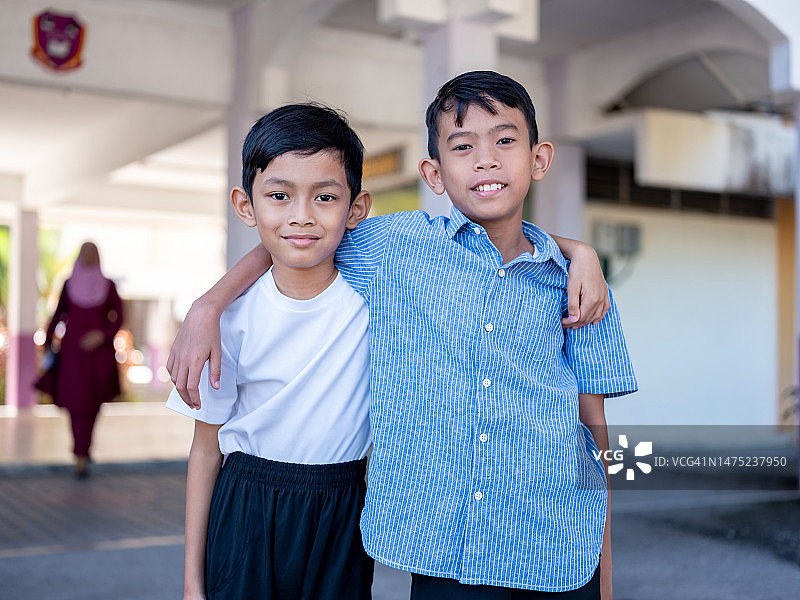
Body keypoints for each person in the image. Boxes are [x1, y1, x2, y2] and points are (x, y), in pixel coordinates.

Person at [169, 71, 636, 599]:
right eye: (463, 146)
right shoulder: (398, 249)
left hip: (560, 550)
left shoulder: (578, 286)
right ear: (433, 174)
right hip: (447, 554)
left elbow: (594, 432)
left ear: (539, 158)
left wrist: (606, 568)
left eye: (505, 140)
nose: (486, 160)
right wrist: (209, 304)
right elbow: (299, 230)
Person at [166, 104, 375, 600]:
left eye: (325, 197)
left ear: (356, 208)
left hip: (343, 506)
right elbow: (204, 450)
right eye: (279, 196)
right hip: (247, 504)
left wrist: (577, 252)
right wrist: (193, 584)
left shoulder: (379, 300)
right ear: (246, 205)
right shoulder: (228, 322)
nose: (302, 215)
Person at [35, 241, 123, 479]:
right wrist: (46, 346)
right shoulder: (68, 284)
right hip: (73, 357)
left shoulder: (108, 286)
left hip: (99, 358)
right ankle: (80, 455)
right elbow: (59, 316)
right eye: (84, 251)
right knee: (77, 406)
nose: (88, 256)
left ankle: (84, 449)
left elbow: (118, 317)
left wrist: (101, 335)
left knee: (93, 405)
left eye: (92, 252)